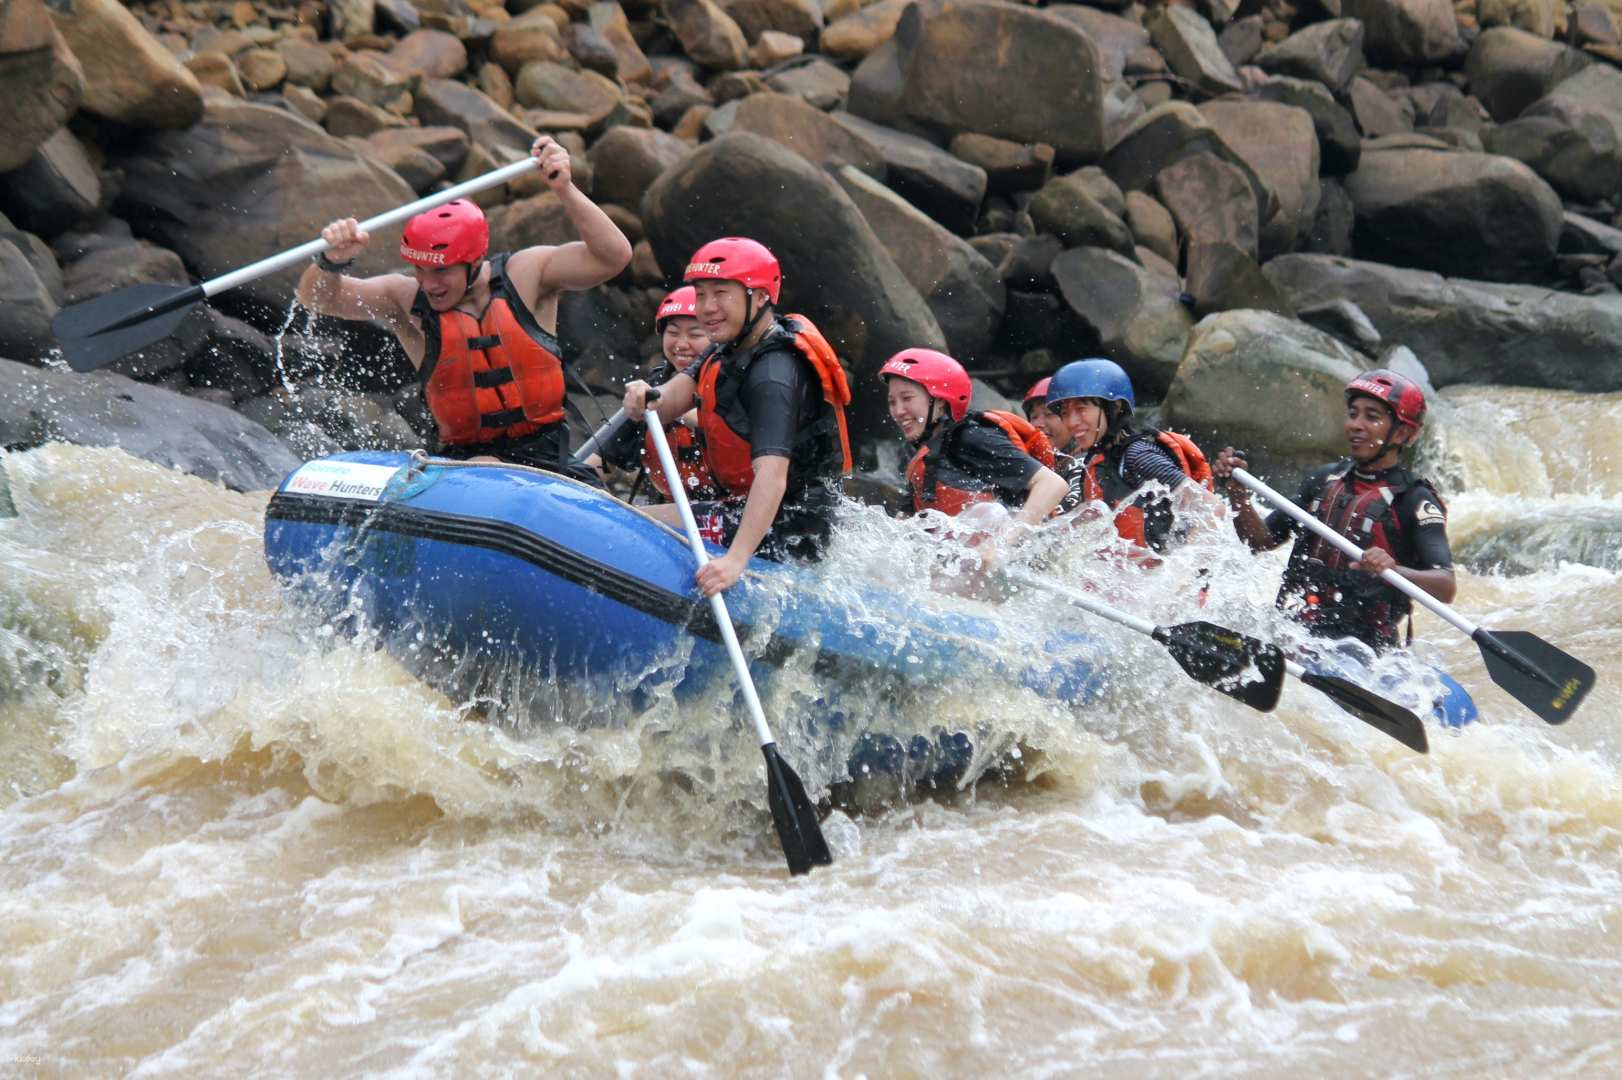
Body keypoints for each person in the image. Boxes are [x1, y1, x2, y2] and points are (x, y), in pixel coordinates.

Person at [295, 135, 633, 478]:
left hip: (546, 457)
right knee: (484, 467)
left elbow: (613, 257)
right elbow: (319, 299)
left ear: (473, 262)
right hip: (460, 464)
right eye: (420, 269)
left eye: (441, 270)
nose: (429, 284)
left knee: (599, 474)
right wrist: (330, 261)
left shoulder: (528, 275)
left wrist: (565, 190)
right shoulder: (405, 298)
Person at [622, 237, 853, 597]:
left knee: (635, 523)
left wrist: (734, 560)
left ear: (760, 297)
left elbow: (773, 477)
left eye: (721, 293)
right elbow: (669, 400)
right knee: (630, 517)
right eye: (700, 294)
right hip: (746, 508)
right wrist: (645, 398)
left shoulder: (774, 373)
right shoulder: (726, 348)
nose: (707, 307)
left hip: (793, 528)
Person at [1211, 369, 1457, 653]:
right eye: (1353, 414)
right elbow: (1259, 541)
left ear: (1403, 433)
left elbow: (1446, 586)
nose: (1356, 425)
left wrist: (1393, 569)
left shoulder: (1414, 500)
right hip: (1295, 628)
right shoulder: (1324, 481)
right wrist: (1237, 492)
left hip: (1364, 649)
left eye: (1372, 417)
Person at [1046, 358, 1219, 552]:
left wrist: (1185, 578)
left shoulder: (1138, 456)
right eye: (1065, 413)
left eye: (1081, 409)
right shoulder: (1099, 461)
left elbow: (1212, 509)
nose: (1072, 422)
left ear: (1116, 407)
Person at [883, 348, 1067, 527]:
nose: (898, 411)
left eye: (907, 398)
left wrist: (1004, 542)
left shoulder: (971, 437)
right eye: (892, 402)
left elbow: (1053, 484)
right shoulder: (926, 458)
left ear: (939, 401)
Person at [585, 286, 716, 500]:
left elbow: (731, 427)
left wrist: (666, 407)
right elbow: (602, 461)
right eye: (673, 333)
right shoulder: (653, 387)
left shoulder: (736, 382)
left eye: (695, 334)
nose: (681, 344)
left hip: (733, 512)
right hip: (674, 511)